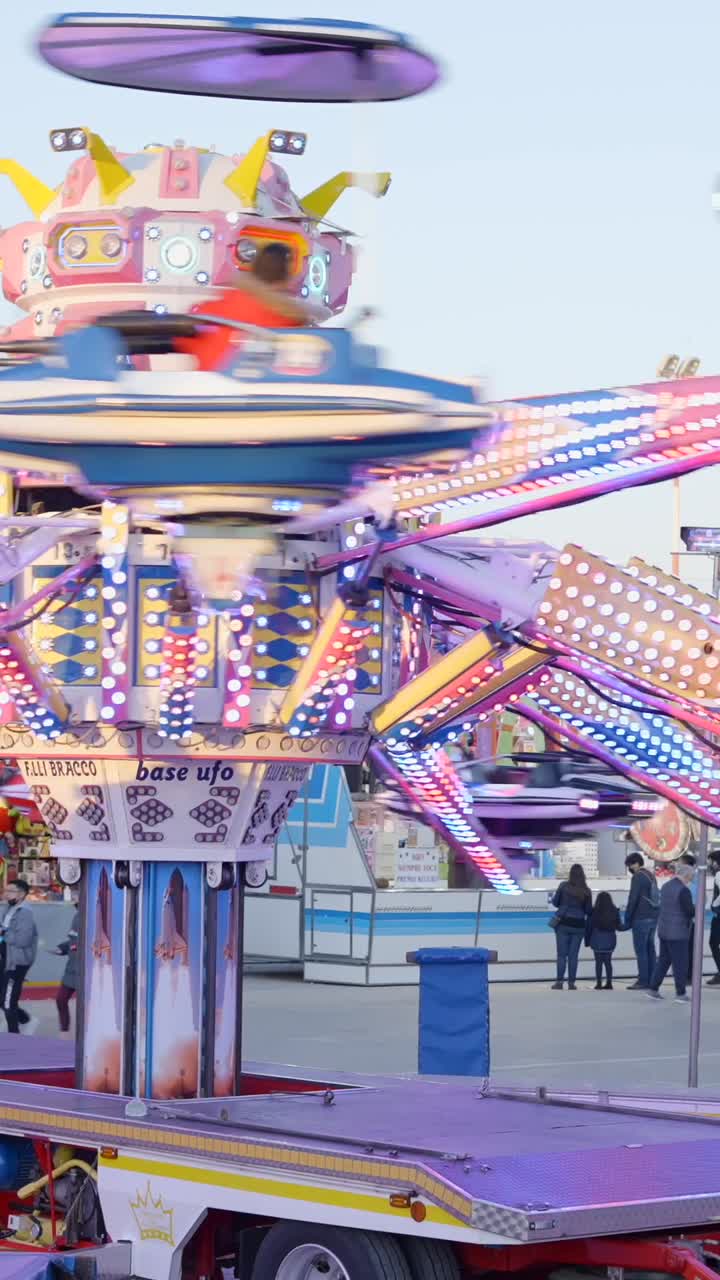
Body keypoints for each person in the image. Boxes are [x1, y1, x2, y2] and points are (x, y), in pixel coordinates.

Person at [177, 243, 313, 372]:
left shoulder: (210, 311)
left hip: (209, 391)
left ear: (254, 269)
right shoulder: (293, 323)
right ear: (286, 279)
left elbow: (183, 339)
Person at [647, 861, 695, 1002]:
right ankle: (681, 993)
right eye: (690, 878)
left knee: (663, 960)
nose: (690, 881)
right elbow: (689, 911)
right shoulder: (683, 890)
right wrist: (696, 907)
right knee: (680, 963)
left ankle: (653, 989)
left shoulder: (666, 886)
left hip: (664, 930)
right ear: (686, 876)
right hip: (678, 932)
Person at [0, 879, 38, 1034]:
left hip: (16, 963)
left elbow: (23, 940)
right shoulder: (8, 909)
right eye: (5, 890)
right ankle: (25, 1020)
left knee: (8, 1003)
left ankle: (14, 1038)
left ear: (21, 894)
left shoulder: (25, 913)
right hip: (5, 960)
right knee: (3, 1000)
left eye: (11, 891)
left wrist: (3, 933)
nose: (6, 894)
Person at [551, 863, 592, 990]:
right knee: (573, 955)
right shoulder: (586, 890)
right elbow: (588, 910)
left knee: (562, 955)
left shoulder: (563, 886)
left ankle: (559, 982)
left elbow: (555, 902)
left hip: (563, 923)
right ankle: (571, 983)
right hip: (579, 925)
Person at [624, 851, 659, 990]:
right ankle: (652, 979)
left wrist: (627, 918)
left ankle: (643, 980)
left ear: (636, 863)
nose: (630, 868)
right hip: (653, 916)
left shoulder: (638, 876)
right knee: (650, 949)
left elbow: (633, 899)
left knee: (641, 950)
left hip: (641, 917)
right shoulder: (651, 875)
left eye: (630, 865)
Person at [585, 890, 623, 990]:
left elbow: (589, 927)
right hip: (610, 938)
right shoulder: (614, 911)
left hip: (597, 938)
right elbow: (619, 926)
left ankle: (598, 984)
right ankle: (609, 983)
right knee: (608, 961)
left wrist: (587, 941)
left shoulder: (594, 911)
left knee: (598, 962)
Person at [54, 908, 79, 1036]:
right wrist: (63, 948)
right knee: (61, 999)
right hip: (71, 969)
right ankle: (64, 1030)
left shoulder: (93, 913)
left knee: (86, 1007)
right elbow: (73, 940)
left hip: (85, 971)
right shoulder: (77, 915)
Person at [679, 852, 698, 980]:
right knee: (690, 949)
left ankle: (687, 976)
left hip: (689, 921)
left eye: (680, 862)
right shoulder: (696, 879)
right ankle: (689, 975)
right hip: (693, 920)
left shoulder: (689, 881)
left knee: (687, 950)